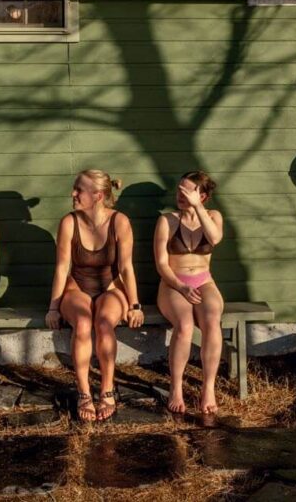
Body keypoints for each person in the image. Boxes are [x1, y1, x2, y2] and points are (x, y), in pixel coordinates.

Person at [45, 169, 144, 421]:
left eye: (79, 190)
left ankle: (107, 390)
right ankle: (84, 393)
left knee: (104, 323)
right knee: (82, 323)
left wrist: (135, 304)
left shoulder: (119, 222)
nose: (73, 194)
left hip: (110, 288)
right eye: (74, 188)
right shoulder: (69, 222)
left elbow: (125, 268)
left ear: (98, 195)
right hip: (76, 288)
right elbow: (61, 267)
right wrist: (54, 307)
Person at [155, 171, 224, 414]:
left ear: (202, 196)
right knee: (184, 326)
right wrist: (181, 286)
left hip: (204, 281)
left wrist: (198, 209)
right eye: (179, 190)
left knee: (212, 320)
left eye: (187, 191)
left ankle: (208, 387)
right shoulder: (167, 221)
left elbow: (214, 239)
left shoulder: (214, 216)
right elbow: (162, 265)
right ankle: (176, 388)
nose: (180, 195)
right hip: (174, 283)